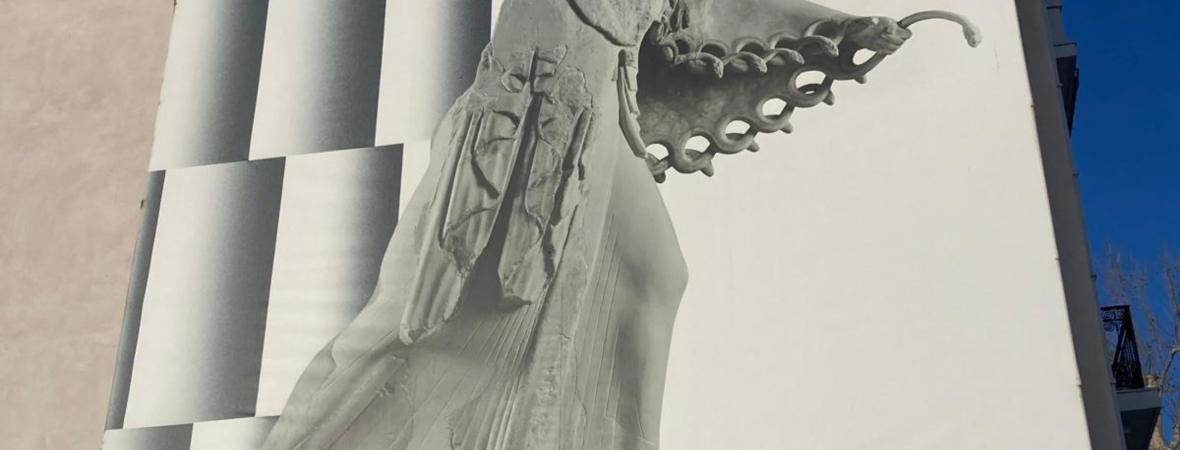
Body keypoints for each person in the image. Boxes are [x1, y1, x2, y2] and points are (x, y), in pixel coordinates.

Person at [262, 0, 914, 448]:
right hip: (540, 93)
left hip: (601, 97)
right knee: (439, 305)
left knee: (655, 277)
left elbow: (708, 12)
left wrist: (839, 27)